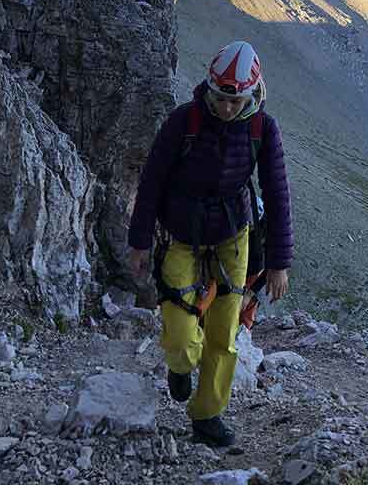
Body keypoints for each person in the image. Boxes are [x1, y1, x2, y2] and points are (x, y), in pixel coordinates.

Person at [126, 40, 294, 448]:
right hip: (182, 234)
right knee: (181, 331)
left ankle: (207, 416)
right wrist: (140, 241)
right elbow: (152, 180)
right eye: (220, 99)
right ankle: (180, 364)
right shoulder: (184, 121)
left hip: (234, 235)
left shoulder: (262, 129)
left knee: (224, 333)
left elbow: (276, 191)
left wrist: (278, 262)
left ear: (254, 94)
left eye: (235, 101)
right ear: (209, 89)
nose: (226, 108)